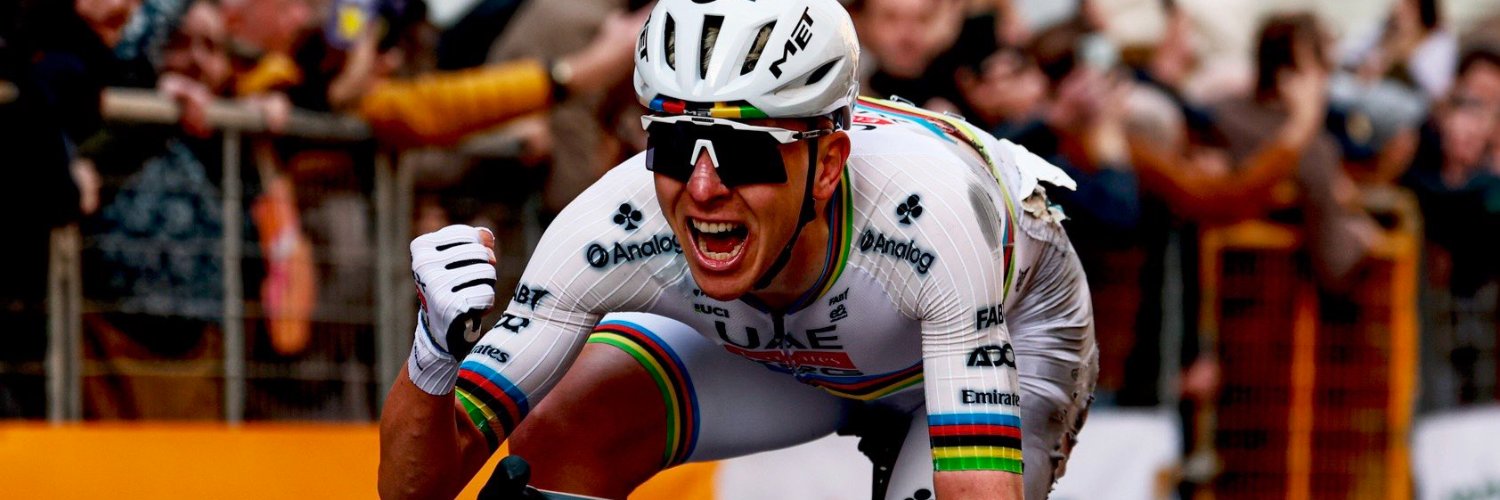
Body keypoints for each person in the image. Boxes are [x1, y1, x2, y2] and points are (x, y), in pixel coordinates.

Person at [378, 1, 1097, 499]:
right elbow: (414, 490)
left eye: (743, 153)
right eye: (672, 145)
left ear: (827, 165)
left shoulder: (929, 218)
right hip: (793, 343)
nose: (703, 188)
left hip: (1005, 325)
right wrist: (434, 360)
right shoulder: (613, 223)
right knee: (560, 428)